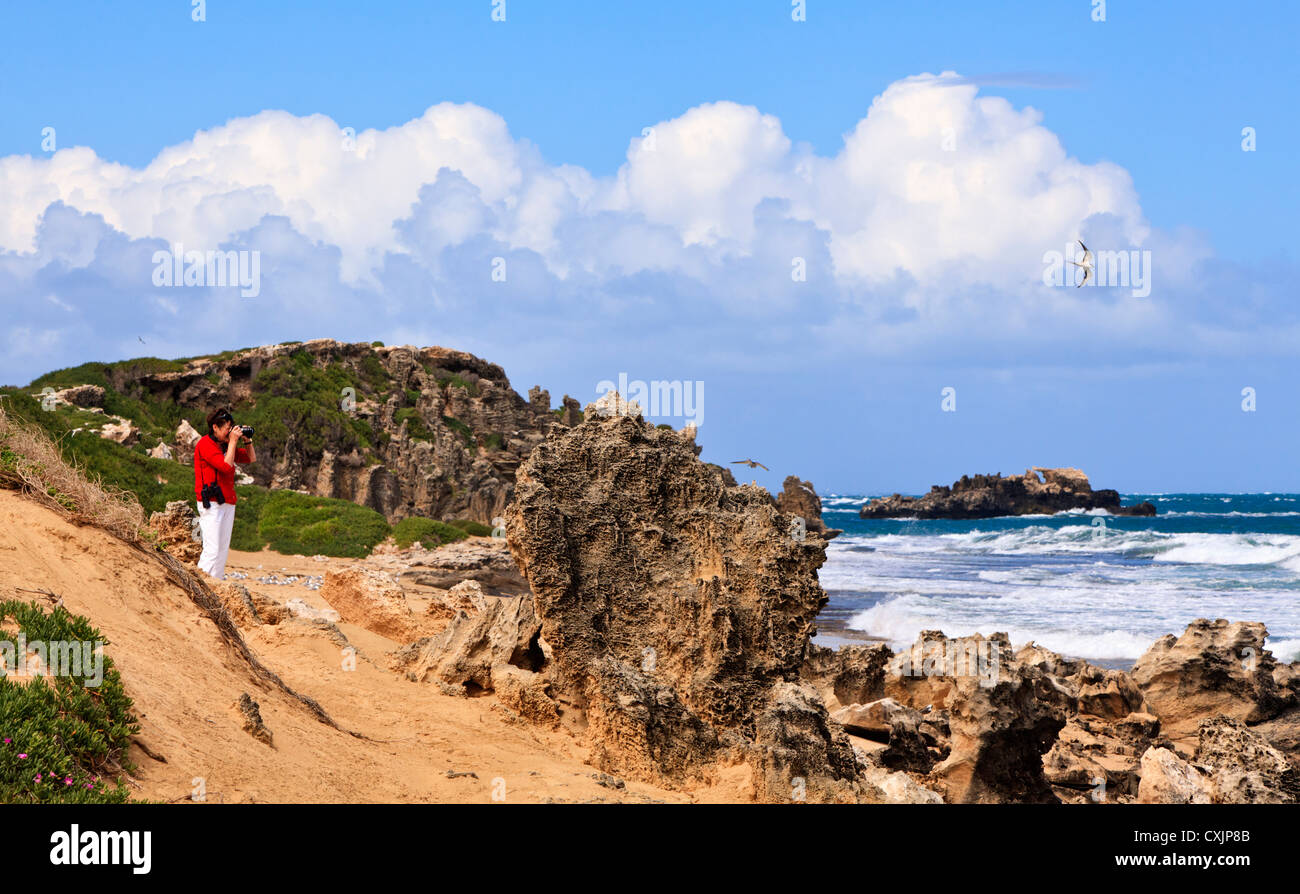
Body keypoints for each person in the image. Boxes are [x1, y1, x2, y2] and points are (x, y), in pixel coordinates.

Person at [193, 407, 256, 580]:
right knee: (212, 550)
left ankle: (216, 584)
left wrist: (247, 440)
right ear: (215, 427)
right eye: (226, 429)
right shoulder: (205, 444)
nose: (229, 432)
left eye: (231, 428)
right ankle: (200, 584)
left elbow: (251, 459)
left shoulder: (226, 445)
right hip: (211, 503)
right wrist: (233, 442)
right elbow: (225, 465)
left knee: (221, 551)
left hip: (227, 501)